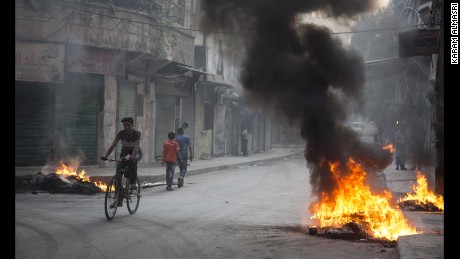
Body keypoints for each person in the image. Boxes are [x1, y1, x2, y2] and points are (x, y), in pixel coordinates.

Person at [100, 117, 142, 208]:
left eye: (128, 125)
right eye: (125, 125)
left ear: (132, 125)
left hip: (136, 153)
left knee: (132, 162)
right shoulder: (121, 133)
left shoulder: (136, 133)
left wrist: (133, 156)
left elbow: (137, 146)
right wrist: (105, 156)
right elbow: (113, 145)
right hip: (125, 153)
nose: (126, 127)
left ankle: (133, 183)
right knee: (118, 175)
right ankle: (118, 198)